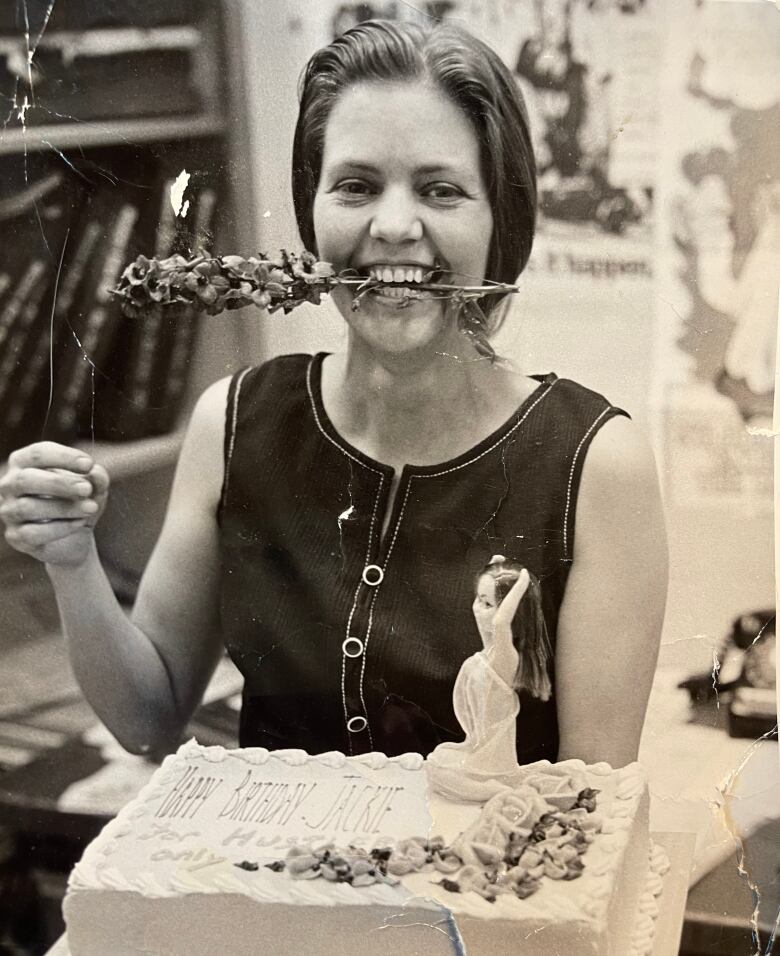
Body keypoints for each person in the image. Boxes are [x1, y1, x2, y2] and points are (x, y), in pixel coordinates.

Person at [0, 19, 667, 769]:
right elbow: (148, 720)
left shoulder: (599, 466)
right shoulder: (232, 421)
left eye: (441, 190)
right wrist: (71, 559)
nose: (392, 225)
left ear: (500, 220)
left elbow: (589, 811)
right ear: (312, 210)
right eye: (355, 186)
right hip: (273, 879)